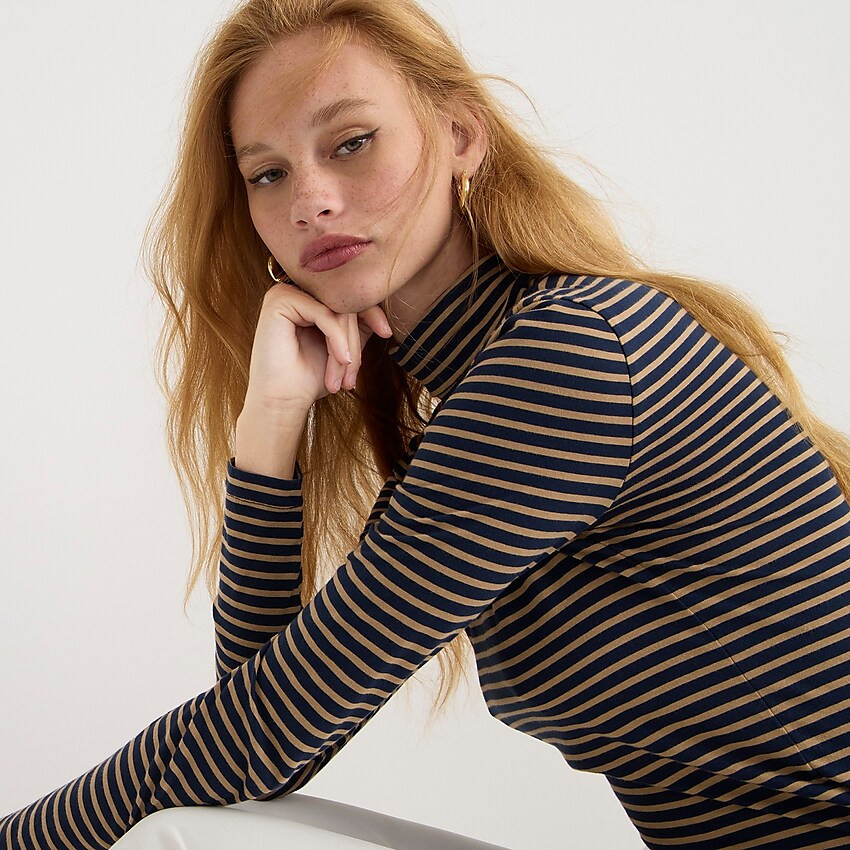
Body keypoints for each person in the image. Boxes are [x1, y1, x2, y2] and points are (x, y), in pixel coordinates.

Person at [2, 0, 850, 848]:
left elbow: (256, 738)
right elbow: (260, 737)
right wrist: (271, 418)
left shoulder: (572, 353)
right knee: (192, 829)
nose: (311, 202)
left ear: (461, 136)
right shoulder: (470, 403)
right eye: (268, 174)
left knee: (182, 840)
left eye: (351, 143)